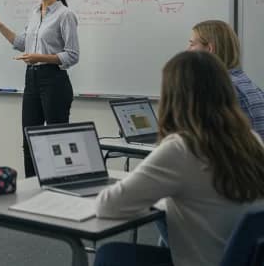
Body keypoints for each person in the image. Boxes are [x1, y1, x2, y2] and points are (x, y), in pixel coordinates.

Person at [94, 51, 264, 266]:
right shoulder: (251, 140)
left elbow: (108, 206)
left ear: (173, 95)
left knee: (111, 254)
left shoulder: (182, 148)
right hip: (242, 259)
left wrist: (152, 195)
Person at [0, 0, 79, 177]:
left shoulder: (65, 15)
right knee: (29, 140)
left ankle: (58, 191)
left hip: (54, 81)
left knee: (56, 142)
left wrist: (39, 57)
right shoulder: (34, 13)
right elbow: (21, 43)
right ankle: (30, 191)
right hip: (32, 80)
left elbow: (72, 55)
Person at [188, 19, 264, 138]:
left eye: (192, 44)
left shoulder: (218, 88)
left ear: (209, 49)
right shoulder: (247, 84)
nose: (188, 50)